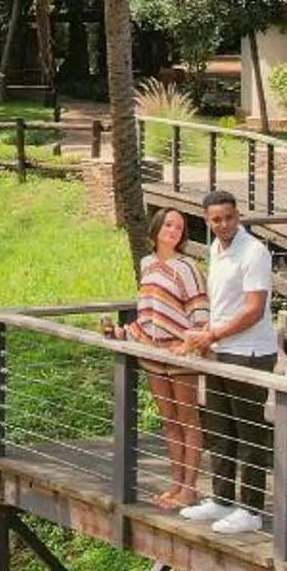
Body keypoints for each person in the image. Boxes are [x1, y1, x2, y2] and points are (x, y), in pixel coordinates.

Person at [177, 187, 277, 537]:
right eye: (216, 220)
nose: (223, 225)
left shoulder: (254, 252)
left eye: (229, 218)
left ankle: (250, 510)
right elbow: (225, 305)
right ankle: (221, 499)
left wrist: (211, 335)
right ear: (207, 221)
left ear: (239, 216)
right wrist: (207, 332)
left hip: (249, 351)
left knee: (249, 431)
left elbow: (254, 309)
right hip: (221, 348)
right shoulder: (217, 251)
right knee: (219, 427)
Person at [117, 206, 208, 509]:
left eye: (179, 228)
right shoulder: (147, 264)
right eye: (168, 225)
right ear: (156, 229)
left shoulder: (188, 267)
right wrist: (126, 333)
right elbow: (147, 310)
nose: (173, 231)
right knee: (169, 420)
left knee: (188, 419)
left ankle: (189, 488)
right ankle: (175, 483)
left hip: (181, 352)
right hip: (153, 352)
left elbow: (200, 311)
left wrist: (192, 345)